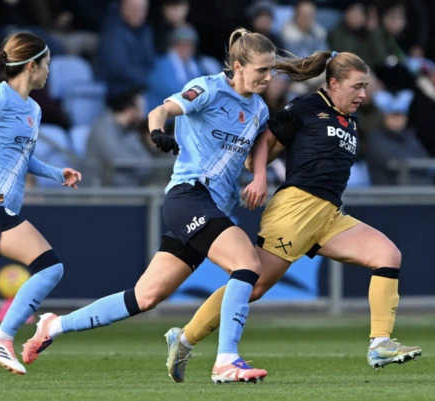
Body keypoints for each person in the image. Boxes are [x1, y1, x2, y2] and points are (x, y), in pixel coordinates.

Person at [21, 28, 308, 384]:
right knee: (247, 265)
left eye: (270, 71)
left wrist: (261, 176)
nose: (267, 78)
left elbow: (261, 142)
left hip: (212, 208)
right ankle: (226, 360)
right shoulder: (208, 88)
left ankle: (55, 324)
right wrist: (158, 131)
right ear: (237, 66)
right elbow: (162, 109)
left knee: (145, 296)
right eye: (261, 70)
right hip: (189, 197)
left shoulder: (258, 108)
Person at [164, 51, 423, 383]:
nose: (363, 94)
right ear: (333, 83)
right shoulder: (305, 107)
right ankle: (183, 339)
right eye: (357, 86)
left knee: (387, 255)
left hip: (329, 215)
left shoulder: (350, 120)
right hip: (295, 210)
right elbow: (264, 143)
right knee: (253, 286)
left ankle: (380, 344)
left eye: (366, 87)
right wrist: (259, 176)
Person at [0, 32, 82, 375]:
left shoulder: (33, 109)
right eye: (47, 64)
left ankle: (2, 336)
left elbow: (24, 158)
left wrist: (57, 173)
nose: (50, 71)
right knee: (51, 267)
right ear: (32, 65)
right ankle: (3, 337)